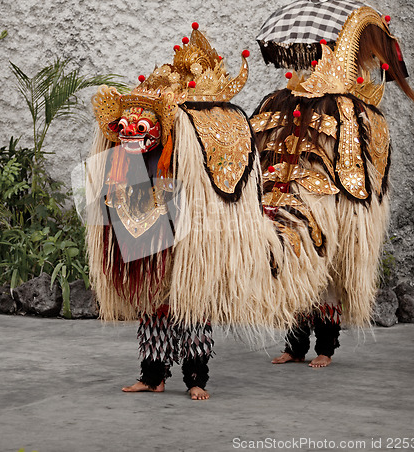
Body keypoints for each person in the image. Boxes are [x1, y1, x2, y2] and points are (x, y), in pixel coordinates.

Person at [86, 24, 323, 397]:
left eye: (141, 126)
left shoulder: (184, 149)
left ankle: (196, 379)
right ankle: (153, 375)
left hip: (191, 232)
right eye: (124, 126)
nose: (130, 133)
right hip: (152, 224)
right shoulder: (129, 164)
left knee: (193, 304)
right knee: (153, 306)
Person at [251, 3, 414, 368]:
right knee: (293, 263)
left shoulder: (349, 109)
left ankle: (325, 348)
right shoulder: (283, 101)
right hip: (286, 192)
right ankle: (294, 346)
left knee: (327, 275)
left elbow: (360, 164)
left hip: (334, 199)